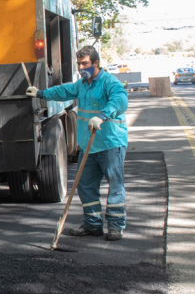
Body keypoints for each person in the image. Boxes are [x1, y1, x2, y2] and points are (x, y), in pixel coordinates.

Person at [27, 45, 129, 241]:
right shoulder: (82, 84)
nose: (81, 68)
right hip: (88, 146)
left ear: (96, 63)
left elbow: (120, 101)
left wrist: (102, 116)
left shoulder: (109, 82)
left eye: (85, 64)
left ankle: (115, 227)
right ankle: (93, 225)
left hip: (110, 144)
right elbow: (64, 91)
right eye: (79, 64)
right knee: (86, 185)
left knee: (115, 185)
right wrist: (40, 93)